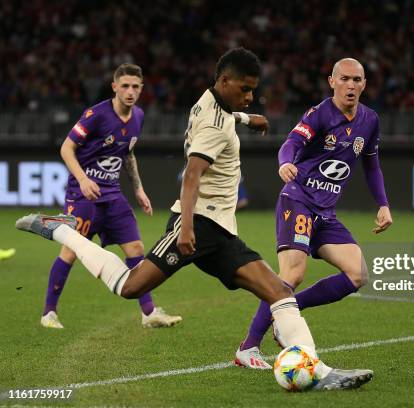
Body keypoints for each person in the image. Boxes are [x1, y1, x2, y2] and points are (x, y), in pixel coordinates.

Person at [17, 47, 373, 390]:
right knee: (130, 287)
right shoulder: (214, 128)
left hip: (220, 233)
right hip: (196, 225)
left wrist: (247, 119)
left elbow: (225, 114)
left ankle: (318, 369)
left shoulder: (209, 101)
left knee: (280, 292)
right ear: (224, 81)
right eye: (245, 89)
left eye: (253, 89)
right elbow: (191, 174)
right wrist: (185, 226)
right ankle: (66, 233)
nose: (250, 96)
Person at [235, 58, 392, 369]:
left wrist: (383, 203)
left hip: (326, 212)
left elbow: (372, 166)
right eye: (345, 79)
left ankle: (290, 310)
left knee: (358, 273)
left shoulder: (370, 120)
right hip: (298, 200)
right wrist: (284, 162)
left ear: (364, 84)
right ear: (331, 81)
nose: (351, 85)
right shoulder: (320, 114)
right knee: (292, 273)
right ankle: (248, 347)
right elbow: (291, 142)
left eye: (357, 80)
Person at [40, 63, 181, 329]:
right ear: (114, 87)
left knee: (137, 249)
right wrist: (82, 180)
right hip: (83, 197)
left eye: (135, 87)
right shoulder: (96, 115)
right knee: (70, 252)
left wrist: (138, 188)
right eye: (125, 86)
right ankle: (49, 313)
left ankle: (149, 313)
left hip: (113, 196)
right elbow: (67, 148)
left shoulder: (138, 116)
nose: (130, 91)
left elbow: (128, 154)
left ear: (141, 89)